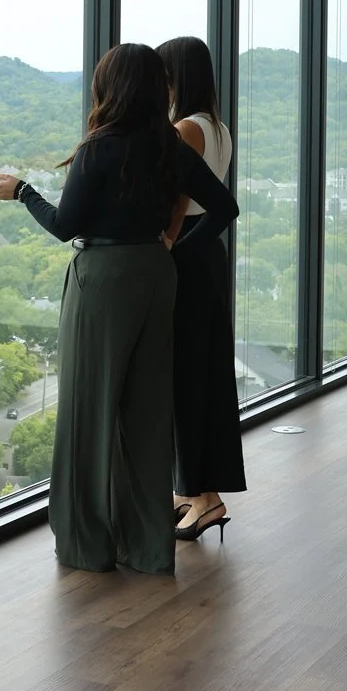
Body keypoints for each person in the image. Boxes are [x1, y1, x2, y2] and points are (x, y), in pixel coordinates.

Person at [0, 43, 238, 575]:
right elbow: (224, 208)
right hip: (156, 275)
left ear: (109, 87)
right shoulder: (170, 146)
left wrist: (22, 191)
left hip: (103, 281)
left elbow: (64, 224)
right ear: (155, 90)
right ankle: (147, 548)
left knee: (87, 411)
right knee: (147, 414)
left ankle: (87, 546)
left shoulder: (100, 147)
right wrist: (173, 249)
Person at [157, 36, 247, 543]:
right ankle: (190, 492)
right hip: (208, 253)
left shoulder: (184, 128)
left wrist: (168, 244)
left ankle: (204, 498)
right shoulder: (219, 127)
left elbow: (179, 197)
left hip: (187, 250)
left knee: (185, 377)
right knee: (205, 371)